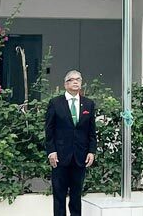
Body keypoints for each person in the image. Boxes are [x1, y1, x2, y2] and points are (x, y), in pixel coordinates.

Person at [45, 70, 97, 216]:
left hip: (80, 157)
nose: (75, 82)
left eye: (78, 80)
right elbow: (49, 130)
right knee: (59, 196)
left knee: (76, 196)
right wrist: (51, 151)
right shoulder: (55, 103)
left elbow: (91, 131)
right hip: (60, 157)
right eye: (72, 80)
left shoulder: (88, 104)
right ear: (65, 84)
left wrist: (91, 151)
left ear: (81, 83)